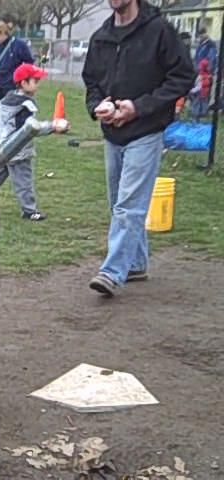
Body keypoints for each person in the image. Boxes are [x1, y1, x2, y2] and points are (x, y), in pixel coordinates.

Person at [81, 0, 194, 297]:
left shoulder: (158, 31)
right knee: (119, 204)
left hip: (145, 130)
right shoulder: (101, 37)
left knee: (128, 207)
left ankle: (111, 271)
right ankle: (136, 263)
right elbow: (91, 82)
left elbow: (182, 77)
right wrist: (98, 106)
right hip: (112, 133)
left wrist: (139, 107)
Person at [0, 64, 69, 221]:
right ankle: (29, 211)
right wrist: (54, 126)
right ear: (24, 84)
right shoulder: (24, 105)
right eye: (35, 81)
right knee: (23, 182)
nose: (37, 85)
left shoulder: (9, 99)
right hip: (17, 151)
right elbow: (30, 128)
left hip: (3, 148)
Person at [0, 21, 34, 144]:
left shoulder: (18, 45)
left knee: (11, 110)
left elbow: (29, 61)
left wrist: (21, 76)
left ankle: (11, 135)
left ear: (3, 33)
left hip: (10, 84)